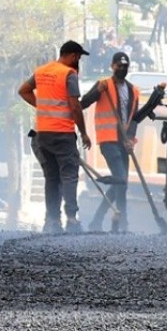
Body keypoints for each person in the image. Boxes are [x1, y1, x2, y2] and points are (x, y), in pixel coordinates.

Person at [18, 40, 91, 235]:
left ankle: (52, 221)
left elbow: (23, 90)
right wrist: (83, 133)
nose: (79, 62)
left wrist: (42, 108)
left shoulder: (41, 71)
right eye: (79, 58)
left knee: (52, 178)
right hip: (63, 134)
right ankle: (72, 220)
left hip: (42, 134)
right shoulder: (69, 74)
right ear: (74, 56)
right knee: (69, 176)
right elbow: (75, 107)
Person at [80, 52, 143, 233]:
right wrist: (96, 91)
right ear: (112, 66)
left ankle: (102, 222)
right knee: (121, 180)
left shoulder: (134, 91)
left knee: (121, 182)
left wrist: (131, 138)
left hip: (124, 142)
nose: (122, 69)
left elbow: (135, 118)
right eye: (119, 65)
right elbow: (83, 103)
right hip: (108, 139)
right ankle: (120, 224)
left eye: (125, 66)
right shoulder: (104, 85)